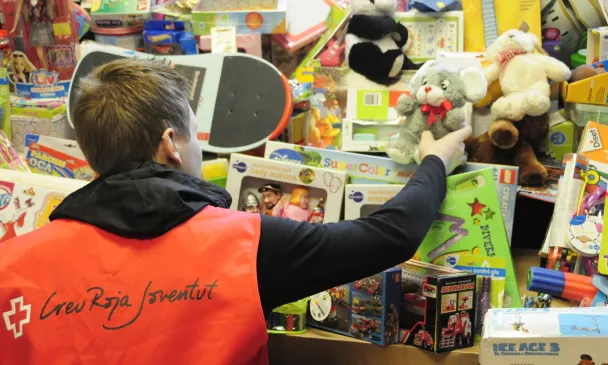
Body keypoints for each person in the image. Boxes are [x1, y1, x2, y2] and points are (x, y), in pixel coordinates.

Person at [0, 58, 471, 365]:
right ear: (171, 143)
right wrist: (436, 160)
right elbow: (390, 235)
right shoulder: (242, 243)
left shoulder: (14, 265)